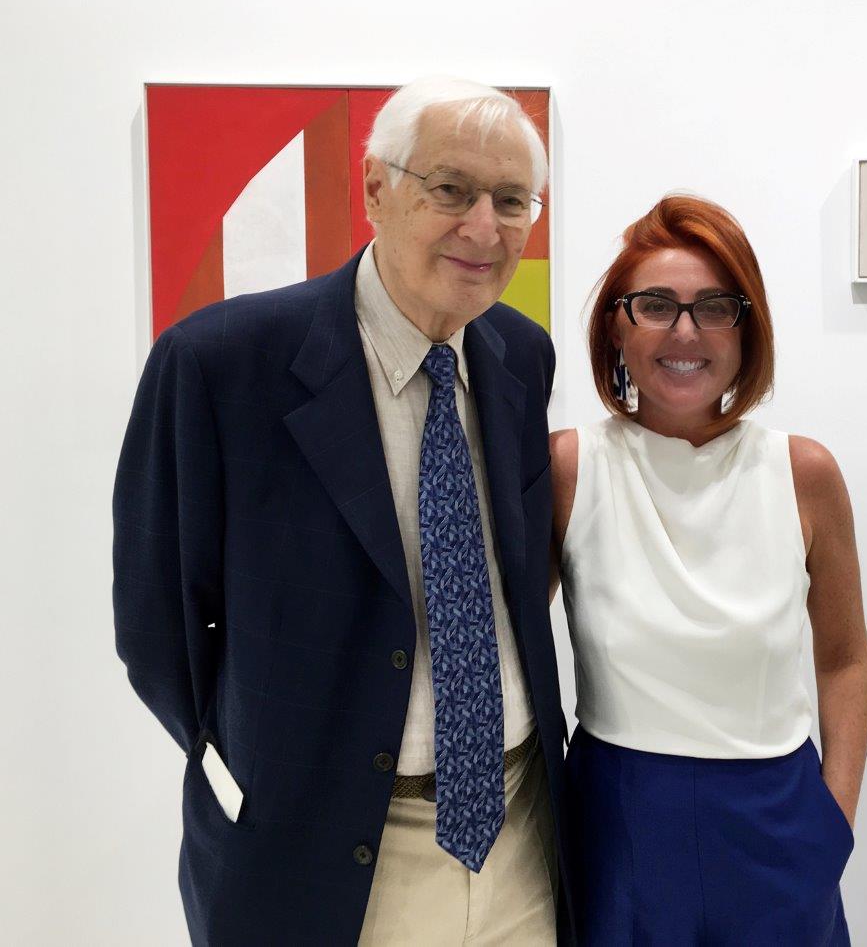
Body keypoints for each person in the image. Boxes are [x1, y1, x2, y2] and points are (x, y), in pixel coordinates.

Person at [114, 76, 570, 945]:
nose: (485, 228)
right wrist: (260, 765)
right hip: (320, 855)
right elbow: (155, 623)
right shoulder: (220, 364)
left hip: (520, 838)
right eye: (451, 189)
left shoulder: (522, 354)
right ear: (375, 189)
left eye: (512, 201)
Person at [549, 194, 867, 944]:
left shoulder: (804, 473)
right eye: (656, 305)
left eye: (716, 307)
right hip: (617, 825)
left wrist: (834, 823)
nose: (686, 332)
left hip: (778, 824)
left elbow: (845, 658)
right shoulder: (570, 467)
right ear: (616, 327)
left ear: (746, 327)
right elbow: (505, 650)